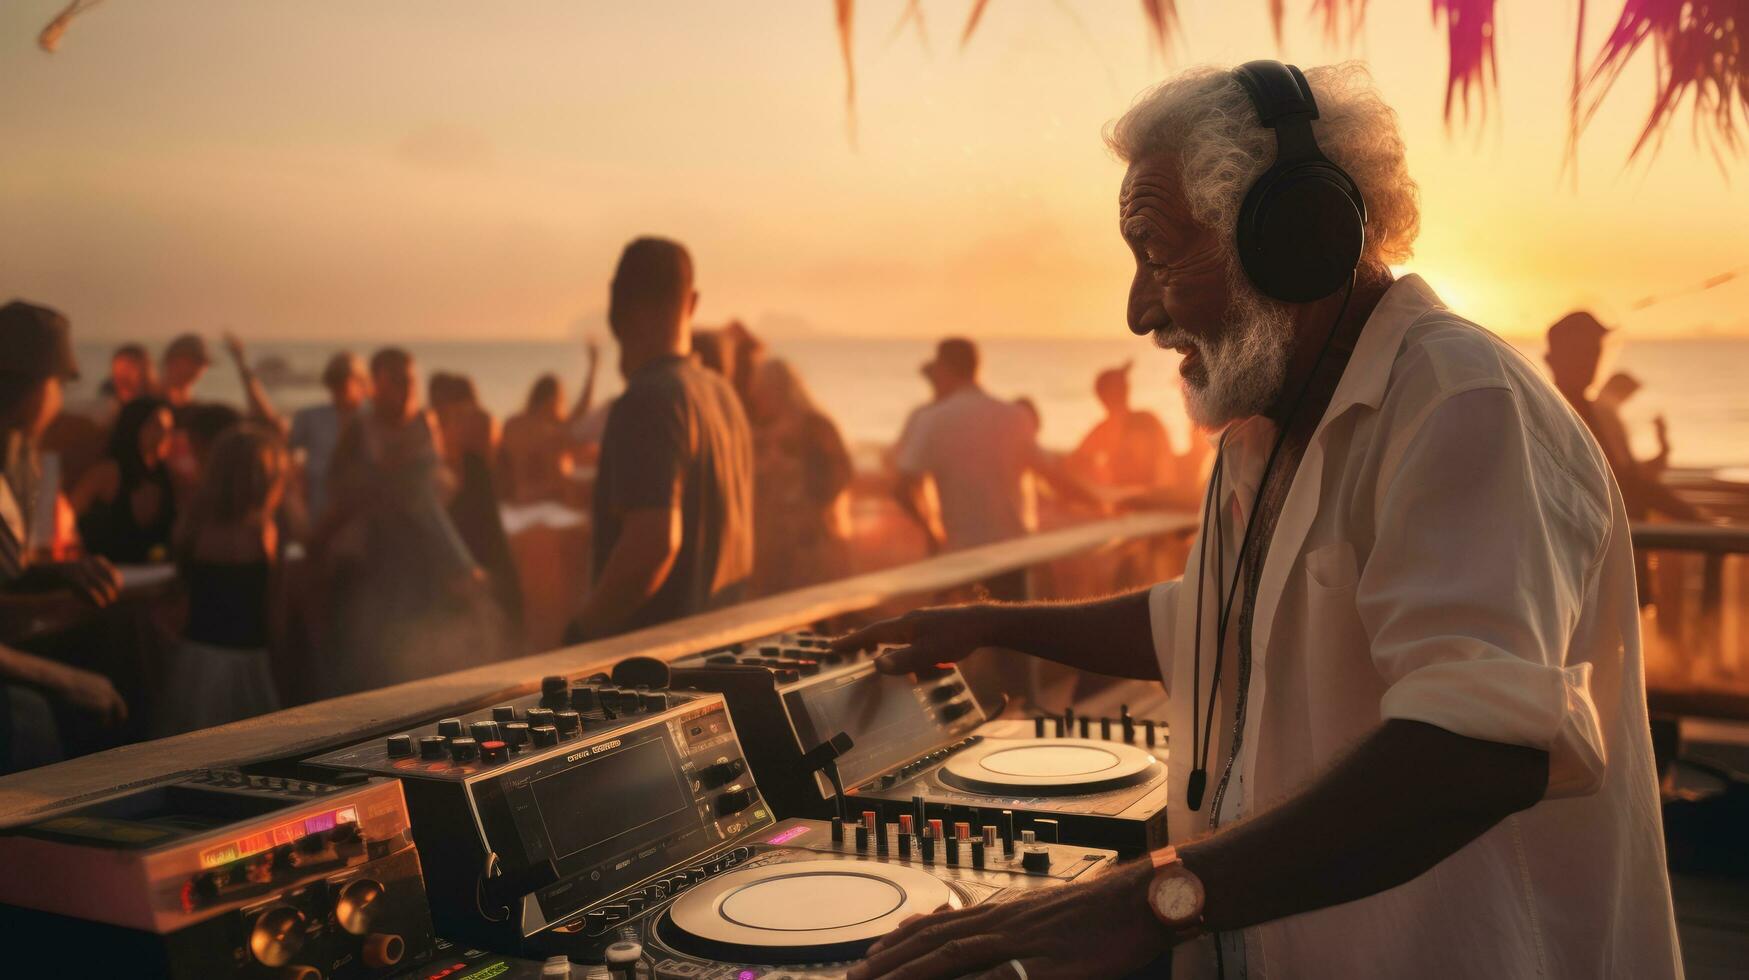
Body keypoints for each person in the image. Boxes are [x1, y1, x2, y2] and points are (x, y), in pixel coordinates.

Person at [835, 61, 1679, 980]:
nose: (1137, 309)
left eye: (1157, 253)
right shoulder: (1262, 430)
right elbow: (1206, 622)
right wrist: (992, 624)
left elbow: (1476, 752)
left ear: (1294, 238)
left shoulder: (1461, 403)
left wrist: (1154, 896)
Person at [567, 237, 754, 641]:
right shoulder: (724, 396)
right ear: (693, 303)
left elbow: (653, 544)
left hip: (659, 675)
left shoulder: (648, 399)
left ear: (617, 308)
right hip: (724, 653)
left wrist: (582, 632)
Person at [318, 347, 491, 693]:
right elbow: (337, 485)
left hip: (422, 549)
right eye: (398, 380)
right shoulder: (360, 427)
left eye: (411, 380)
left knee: (422, 642)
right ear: (377, 383)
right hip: (377, 549)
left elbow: (447, 478)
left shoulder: (424, 422)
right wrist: (384, 478)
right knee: (376, 644)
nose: (408, 388)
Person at [892, 337, 1101, 598]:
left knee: (958, 632)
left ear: (945, 368)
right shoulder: (1013, 416)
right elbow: (1054, 478)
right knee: (1010, 634)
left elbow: (902, 488)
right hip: (1010, 557)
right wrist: (1100, 504)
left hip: (960, 558)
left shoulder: (932, 419)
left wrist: (932, 532)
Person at [155, 424, 287, 735]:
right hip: (248, 658)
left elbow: (181, 597)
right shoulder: (263, 534)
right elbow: (274, 612)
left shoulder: (193, 528)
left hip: (196, 658)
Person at [748, 358, 853, 594]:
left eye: (761, 391)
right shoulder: (763, 430)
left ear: (778, 390)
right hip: (773, 546)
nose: (756, 398)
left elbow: (838, 476)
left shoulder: (815, 427)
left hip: (809, 544)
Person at [70, 397, 178, 564]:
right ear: (134, 427)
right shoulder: (107, 473)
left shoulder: (171, 479)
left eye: (169, 429)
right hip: (102, 569)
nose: (164, 435)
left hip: (152, 574)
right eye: (156, 426)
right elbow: (68, 518)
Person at [288, 351, 370, 519]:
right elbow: (285, 449)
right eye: (335, 379)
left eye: (344, 378)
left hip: (364, 509)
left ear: (361, 381)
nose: (340, 386)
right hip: (320, 507)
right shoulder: (310, 417)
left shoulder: (374, 417)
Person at [1071, 361, 1174, 489]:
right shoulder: (1148, 419)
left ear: (1101, 397)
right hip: (1152, 494)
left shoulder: (1106, 429)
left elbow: (1074, 462)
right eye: (1124, 385)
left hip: (1135, 497)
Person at [498, 374, 576, 504]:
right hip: (546, 503)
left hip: (516, 501)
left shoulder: (512, 423)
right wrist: (593, 373)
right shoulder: (549, 432)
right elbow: (579, 414)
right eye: (561, 401)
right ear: (553, 400)